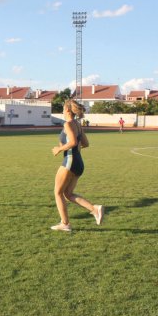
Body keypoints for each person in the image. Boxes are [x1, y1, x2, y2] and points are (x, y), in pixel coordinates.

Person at [51, 99, 104, 232]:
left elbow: (73, 142)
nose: (62, 111)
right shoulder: (78, 125)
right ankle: (94, 209)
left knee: (57, 193)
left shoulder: (68, 124)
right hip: (79, 162)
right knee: (68, 194)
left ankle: (65, 223)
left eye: (63, 109)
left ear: (68, 110)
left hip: (70, 160)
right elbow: (85, 143)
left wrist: (60, 149)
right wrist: (68, 147)